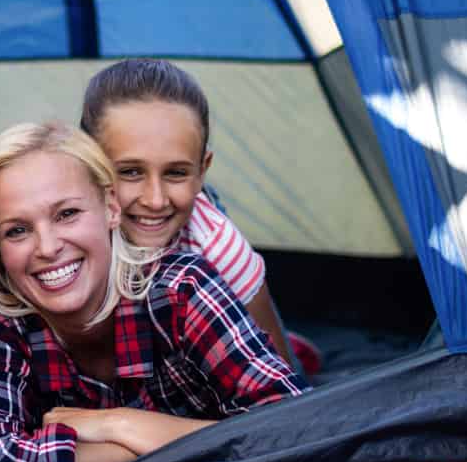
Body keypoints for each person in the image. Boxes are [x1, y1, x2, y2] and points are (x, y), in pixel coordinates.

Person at [0, 122, 302, 462]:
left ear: (111, 208)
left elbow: (295, 427)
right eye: (17, 230)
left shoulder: (182, 290)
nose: (48, 247)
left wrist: (120, 424)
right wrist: (177, 444)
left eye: (67, 214)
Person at [79, 58, 319, 378]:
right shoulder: (61, 225)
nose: (155, 199)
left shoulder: (218, 246)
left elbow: (284, 383)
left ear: (203, 169)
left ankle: (294, 342)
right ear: (88, 163)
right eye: (130, 171)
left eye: (176, 172)